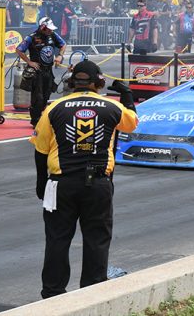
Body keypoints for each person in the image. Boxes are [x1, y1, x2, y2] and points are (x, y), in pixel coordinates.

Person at [30, 60, 138, 299]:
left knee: (57, 239)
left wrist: (40, 184)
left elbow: (40, 150)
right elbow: (132, 123)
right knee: (96, 239)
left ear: (71, 83)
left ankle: (52, 293)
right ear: (98, 82)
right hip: (98, 183)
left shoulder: (54, 108)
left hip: (60, 183)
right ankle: (92, 293)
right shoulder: (111, 107)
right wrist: (127, 94)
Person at [16, 17, 66, 127]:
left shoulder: (53, 35)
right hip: (37, 71)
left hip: (49, 71)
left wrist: (60, 56)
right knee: (38, 98)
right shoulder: (31, 37)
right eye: (49, 29)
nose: (51, 31)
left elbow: (63, 44)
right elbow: (19, 49)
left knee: (46, 95)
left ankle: (41, 117)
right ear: (43, 27)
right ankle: (35, 120)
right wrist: (29, 62)